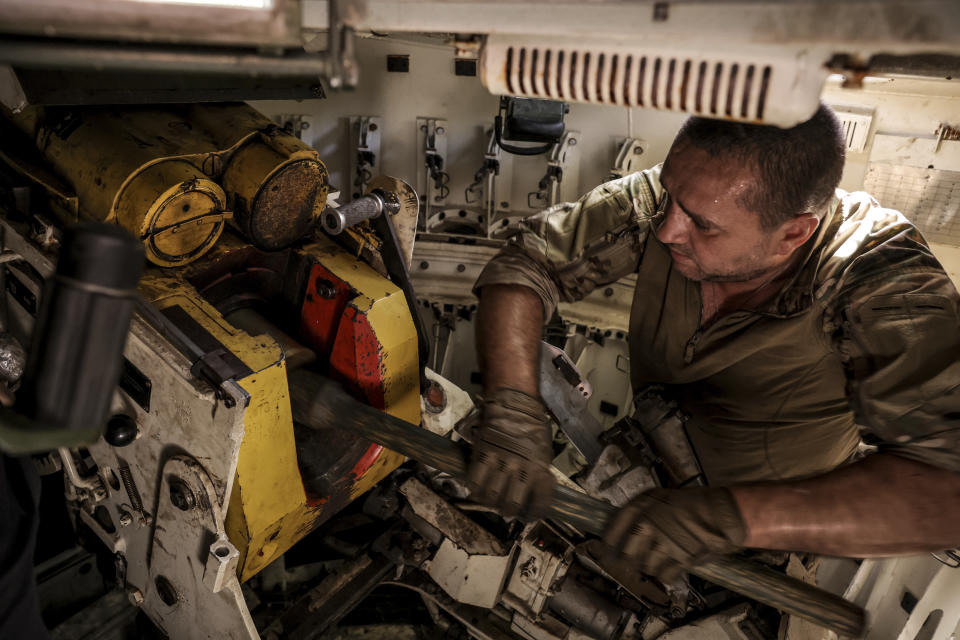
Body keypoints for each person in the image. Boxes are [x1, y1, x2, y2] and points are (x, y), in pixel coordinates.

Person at [466, 103, 960, 583]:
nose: (667, 229)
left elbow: (947, 489)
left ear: (793, 235)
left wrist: (724, 518)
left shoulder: (879, 275)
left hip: (749, 565)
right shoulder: (683, 196)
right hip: (625, 478)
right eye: (670, 197)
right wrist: (512, 407)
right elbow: (530, 264)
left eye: (702, 225)